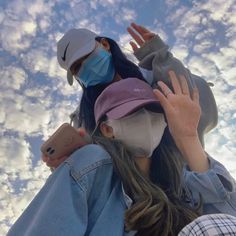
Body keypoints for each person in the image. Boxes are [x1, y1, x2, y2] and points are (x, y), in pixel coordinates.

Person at [8, 72, 236, 236]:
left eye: (154, 110)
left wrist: (188, 138)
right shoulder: (94, 164)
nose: (147, 118)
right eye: (133, 112)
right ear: (107, 129)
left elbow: (229, 219)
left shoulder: (181, 181)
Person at [44, 23, 218, 169]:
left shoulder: (151, 75)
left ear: (105, 44)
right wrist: (69, 162)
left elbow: (189, 108)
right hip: (134, 194)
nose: (86, 67)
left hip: (187, 171)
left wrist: (160, 58)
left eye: (86, 56)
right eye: (76, 68)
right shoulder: (86, 117)